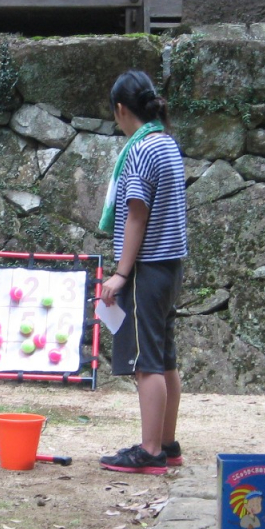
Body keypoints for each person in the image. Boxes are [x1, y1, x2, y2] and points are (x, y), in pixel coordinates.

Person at [98, 70, 188, 475]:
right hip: (171, 265)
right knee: (165, 357)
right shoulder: (167, 144)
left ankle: (150, 451)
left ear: (120, 109)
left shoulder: (139, 151)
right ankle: (167, 444)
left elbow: (137, 213)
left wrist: (121, 272)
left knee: (145, 363)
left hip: (148, 267)